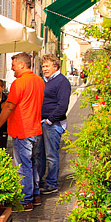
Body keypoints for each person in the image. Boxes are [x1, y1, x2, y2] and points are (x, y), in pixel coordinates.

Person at [0, 52, 45, 211]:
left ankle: (25, 200)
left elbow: (8, 107)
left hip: (22, 130)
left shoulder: (18, 83)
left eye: (13, 66)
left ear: (21, 65)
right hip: (35, 129)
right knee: (32, 164)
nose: (12, 69)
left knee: (23, 166)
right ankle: (35, 195)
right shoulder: (39, 81)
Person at [36, 54, 71, 196]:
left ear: (55, 66)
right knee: (39, 154)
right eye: (43, 66)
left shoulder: (62, 82)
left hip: (52, 124)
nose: (44, 69)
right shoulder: (44, 81)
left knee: (51, 154)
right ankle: (40, 181)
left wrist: (49, 120)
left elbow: (63, 105)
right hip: (41, 122)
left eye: (47, 66)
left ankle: (52, 183)